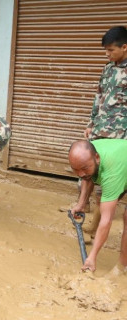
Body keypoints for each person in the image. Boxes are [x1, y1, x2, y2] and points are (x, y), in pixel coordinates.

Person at [77, 26, 127, 239]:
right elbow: (98, 98)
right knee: (90, 174)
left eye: (111, 50)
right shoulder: (107, 69)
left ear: (124, 47)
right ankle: (90, 220)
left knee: (107, 184)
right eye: (105, 50)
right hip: (100, 131)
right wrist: (91, 123)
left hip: (120, 136)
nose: (107, 54)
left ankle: (95, 228)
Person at [68, 139, 127, 272]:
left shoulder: (111, 173)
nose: (80, 174)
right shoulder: (89, 152)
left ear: (97, 158)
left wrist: (92, 257)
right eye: (75, 169)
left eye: (84, 168)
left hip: (120, 167)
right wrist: (81, 204)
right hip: (122, 165)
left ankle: (122, 268)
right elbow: (87, 178)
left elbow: (107, 221)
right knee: (102, 198)